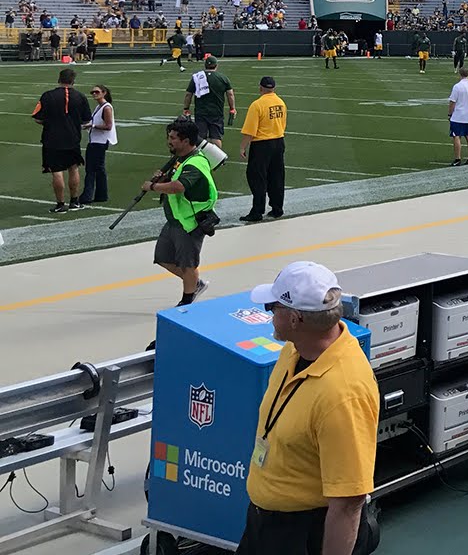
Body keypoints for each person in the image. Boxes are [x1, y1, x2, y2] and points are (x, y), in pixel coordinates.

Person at [238, 262, 378, 555]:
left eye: (272, 307)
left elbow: (349, 504)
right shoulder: (296, 349)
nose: (268, 314)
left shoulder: (342, 393)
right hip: (267, 526)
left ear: (295, 319)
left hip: (305, 534)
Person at [149, 117, 217, 306]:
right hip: (175, 220)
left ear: (186, 141)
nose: (169, 141)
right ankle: (195, 283)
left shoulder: (195, 163)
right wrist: (161, 179)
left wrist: (153, 187)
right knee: (162, 258)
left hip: (190, 223)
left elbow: (178, 187)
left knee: (188, 264)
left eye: (173, 138)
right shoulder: (180, 159)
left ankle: (187, 302)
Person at [34, 66, 91, 212]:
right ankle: (75, 201)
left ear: (59, 79)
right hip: (73, 138)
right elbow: (86, 121)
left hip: (52, 138)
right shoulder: (80, 97)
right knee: (73, 168)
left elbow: (38, 118)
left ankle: (60, 204)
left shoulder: (47, 95)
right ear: (73, 81)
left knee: (57, 171)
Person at [240, 76, 289, 223]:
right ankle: (277, 208)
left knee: (257, 178)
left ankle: (257, 211)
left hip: (262, 144)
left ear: (260, 88)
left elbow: (250, 131)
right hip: (278, 141)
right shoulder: (281, 103)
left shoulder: (257, 105)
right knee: (277, 177)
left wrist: (243, 147)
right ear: (273, 88)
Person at [184, 55, 237, 147]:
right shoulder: (222, 78)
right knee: (216, 137)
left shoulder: (197, 77)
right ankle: (218, 158)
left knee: (200, 137)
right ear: (216, 65)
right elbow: (230, 94)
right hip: (216, 112)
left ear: (205, 65)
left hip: (201, 112)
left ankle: (199, 158)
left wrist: (186, 108)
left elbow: (188, 94)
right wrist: (232, 108)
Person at [82, 83, 116, 204]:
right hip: (96, 141)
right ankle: (101, 195)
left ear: (104, 93)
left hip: (99, 142)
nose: (94, 94)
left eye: (97, 92)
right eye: (93, 92)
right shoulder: (100, 107)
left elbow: (108, 126)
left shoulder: (106, 107)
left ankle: (87, 196)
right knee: (98, 169)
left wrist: (93, 125)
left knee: (91, 169)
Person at [448, 67, 468, 166]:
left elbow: (452, 102)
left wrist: (450, 114)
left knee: (456, 136)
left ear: (460, 75)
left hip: (458, 116)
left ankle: (457, 158)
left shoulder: (457, 86)